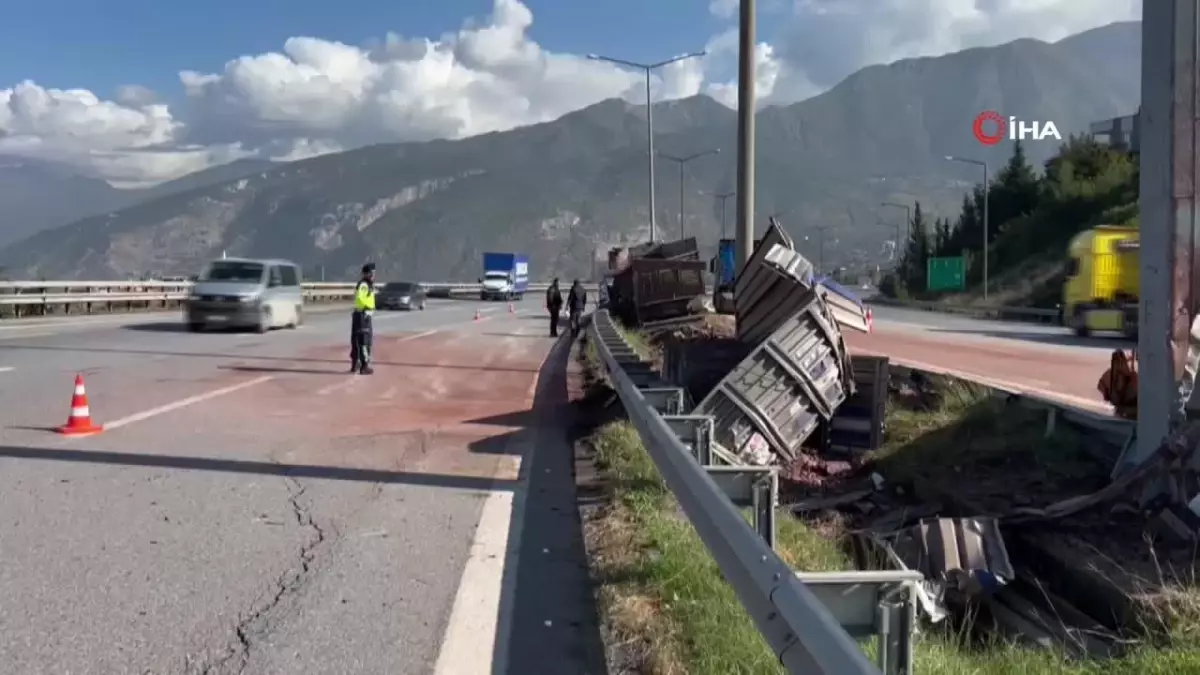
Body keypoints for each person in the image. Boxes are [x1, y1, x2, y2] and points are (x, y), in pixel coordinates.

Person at [350, 263, 377, 374]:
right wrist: (367, 308)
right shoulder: (364, 285)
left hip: (360, 314)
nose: (374, 275)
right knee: (364, 341)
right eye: (372, 273)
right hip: (363, 315)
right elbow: (360, 298)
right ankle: (364, 366)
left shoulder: (367, 284)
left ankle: (356, 363)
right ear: (368, 274)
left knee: (357, 340)